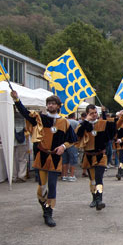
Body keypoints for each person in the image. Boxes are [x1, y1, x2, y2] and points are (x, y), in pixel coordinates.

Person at [11, 91, 78, 227]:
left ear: (58, 106)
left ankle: (48, 213)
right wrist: (17, 99)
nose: (50, 106)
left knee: (52, 185)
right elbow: (24, 112)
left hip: (54, 157)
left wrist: (63, 147)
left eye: (53, 104)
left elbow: (72, 139)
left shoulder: (64, 122)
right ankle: (43, 201)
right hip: (41, 156)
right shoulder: (39, 118)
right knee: (42, 186)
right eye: (48, 104)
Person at [76, 105, 117, 210]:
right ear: (87, 114)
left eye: (95, 112)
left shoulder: (103, 123)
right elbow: (77, 135)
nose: (94, 115)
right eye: (91, 113)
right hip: (89, 155)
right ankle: (94, 198)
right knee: (92, 179)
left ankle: (99, 199)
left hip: (100, 155)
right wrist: (86, 122)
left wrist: (114, 116)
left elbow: (113, 131)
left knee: (99, 178)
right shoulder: (83, 125)